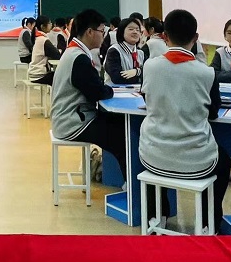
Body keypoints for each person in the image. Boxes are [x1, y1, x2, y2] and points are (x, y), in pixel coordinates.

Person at [139, 9, 231, 234]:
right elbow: (212, 112)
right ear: (196, 38)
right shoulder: (207, 73)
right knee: (224, 162)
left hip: (153, 155)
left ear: (164, 37)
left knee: (152, 152)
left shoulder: (149, 66)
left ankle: (156, 217)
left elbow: (146, 98)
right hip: (197, 160)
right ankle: (210, 223)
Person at [50, 9, 126, 183]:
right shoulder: (79, 58)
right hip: (72, 122)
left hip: (72, 116)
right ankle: (129, 187)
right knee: (123, 137)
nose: (103, 36)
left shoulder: (74, 52)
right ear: (90, 32)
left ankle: (120, 180)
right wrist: (110, 90)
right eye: (102, 31)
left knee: (119, 125)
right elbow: (97, 91)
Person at [104, 17, 144, 85]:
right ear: (122, 32)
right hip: (116, 90)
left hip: (137, 90)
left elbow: (148, 73)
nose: (135, 32)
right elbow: (117, 78)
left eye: (137, 30)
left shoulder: (140, 53)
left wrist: (137, 71)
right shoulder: (114, 51)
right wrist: (140, 76)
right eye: (131, 29)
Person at [27, 15, 61, 85]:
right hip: (39, 75)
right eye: (49, 23)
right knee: (62, 77)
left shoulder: (38, 38)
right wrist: (60, 50)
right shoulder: (43, 40)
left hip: (34, 73)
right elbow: (57, 54)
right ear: (43, 26)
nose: (51, 25)